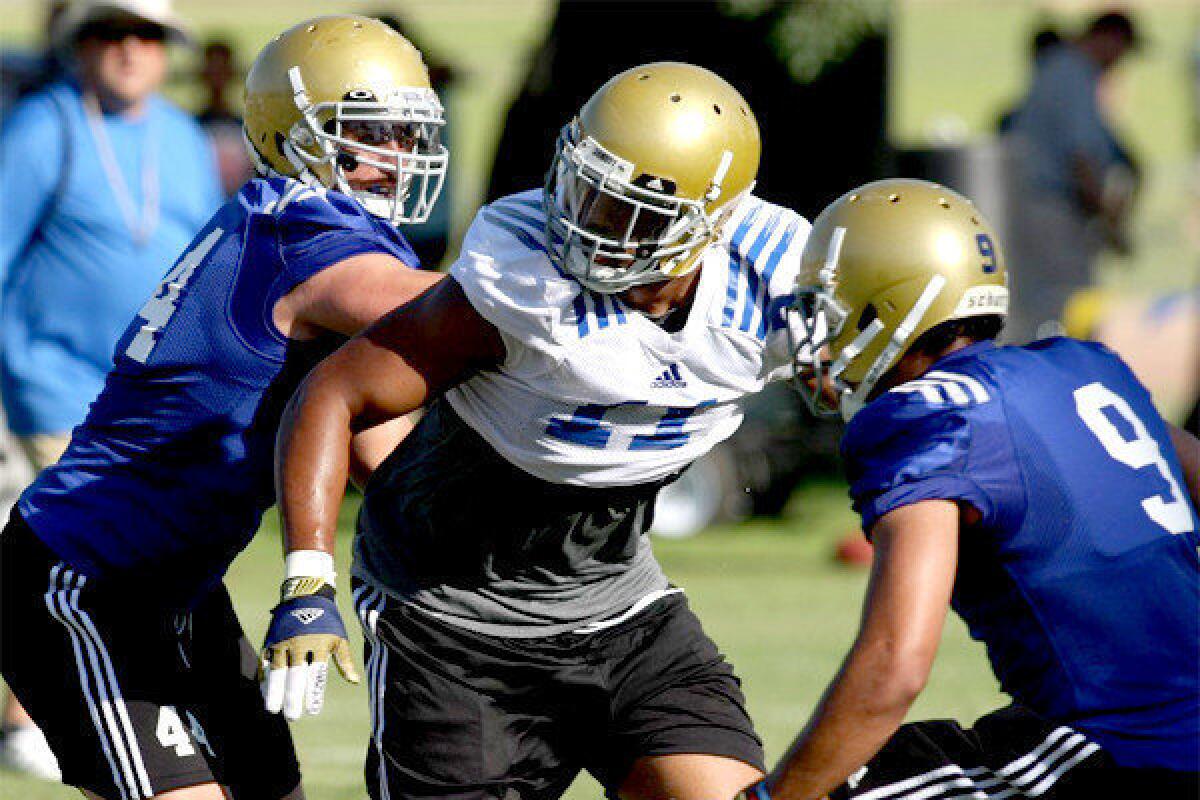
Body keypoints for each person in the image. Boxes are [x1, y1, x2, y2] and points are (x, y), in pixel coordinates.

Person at [268, 62, 808, 800]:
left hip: (622, 611)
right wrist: (307, 577)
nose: (587, 221)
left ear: (710, 226)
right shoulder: (524, 287)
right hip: (453, 631)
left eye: (628, 211)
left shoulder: (773, 288)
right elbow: (332, 394)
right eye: (586, 187)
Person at [0, 15, 450, 800]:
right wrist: (572, 280)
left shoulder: (284, 215)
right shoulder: (302, 227)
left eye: (407, 131)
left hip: (180, 586)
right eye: (371, 130)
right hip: (88, 580)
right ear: (298, 133)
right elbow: (454, 318)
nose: (397, 154)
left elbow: (379, 446)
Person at [748, 179, 1199, 800]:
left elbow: (895, 667)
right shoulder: (1085, 368)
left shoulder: (925, 416)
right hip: (1170, 727)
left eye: (830, 311)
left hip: (1124, 752)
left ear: (890, 307)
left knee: (826, 786)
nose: (821, 341)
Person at [0, 0, 221, 783]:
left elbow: (206, 260)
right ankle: (34, 719)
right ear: (77, 45)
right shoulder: (41, 127)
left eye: (147, 35)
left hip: (150, 399)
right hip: (52, 386)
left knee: (140, 563)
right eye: (109, 32)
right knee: (68, 557)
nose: (129, 49)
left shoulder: (182, 135)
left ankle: (144, 712)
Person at [1005, 10, 1143, 342]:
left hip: (1042, 205)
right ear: (1110, 39)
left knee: (1046, 300)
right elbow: (1081, 157)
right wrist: (1107, 219)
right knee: (1066, 303)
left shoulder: (1062, 70)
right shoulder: (1074, 74)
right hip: (1053, 207)